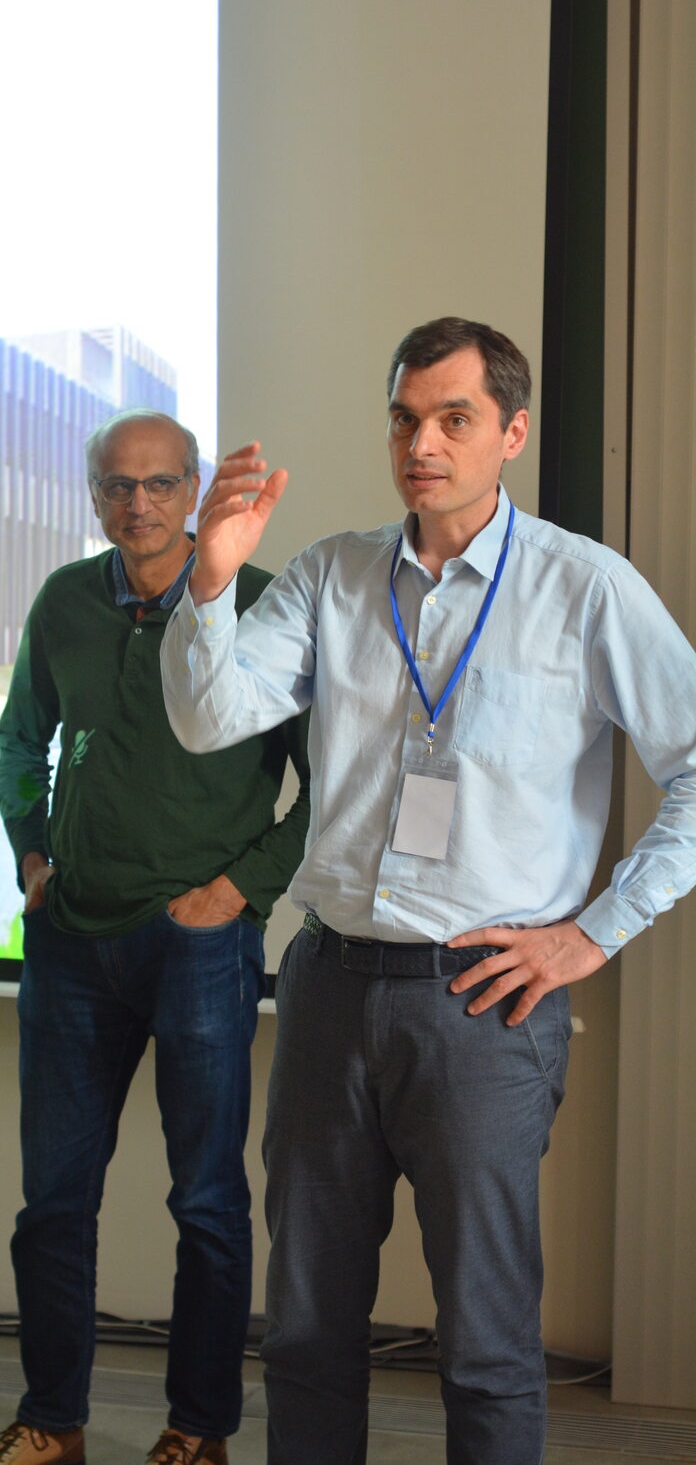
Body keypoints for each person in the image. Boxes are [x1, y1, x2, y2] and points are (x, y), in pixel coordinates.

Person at [159, 318, 696, 1465]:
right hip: (328, 989)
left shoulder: (583, 587)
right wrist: (207, 581)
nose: (422, 445)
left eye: (454, 419)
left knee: (486, 1343)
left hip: (483, 1007)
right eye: (405, 419)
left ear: (512, 433)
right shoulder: (331, 575)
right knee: (305, 1330)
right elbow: (208, 720)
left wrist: (591, 936)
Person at [0, 409, 311, 1465]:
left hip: (198, 950)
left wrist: (240, 891)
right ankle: (51, 1422)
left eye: (161, 483)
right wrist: (32, 855)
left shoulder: (262, 607)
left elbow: (332, 786)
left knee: (207, 1203)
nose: (139, 504)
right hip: (70, 941)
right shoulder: (66, 601)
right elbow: (20, 740)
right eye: (117, 486)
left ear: (194, 488)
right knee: (52, 1203)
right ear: (93, 496)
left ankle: (197, 1433)